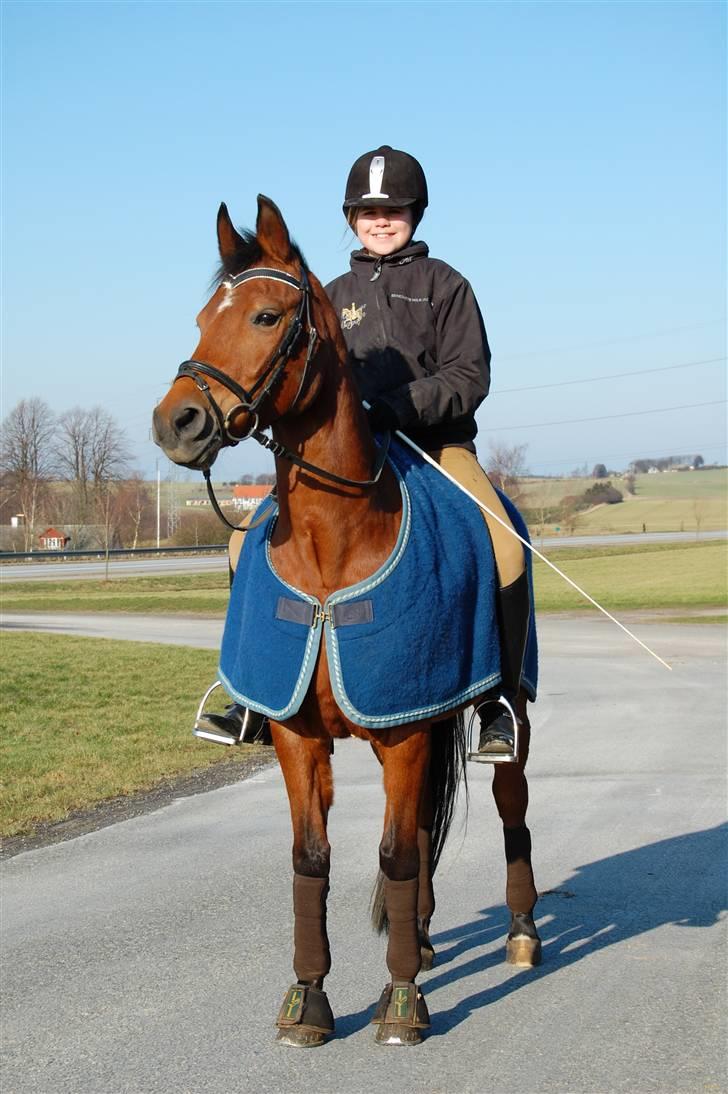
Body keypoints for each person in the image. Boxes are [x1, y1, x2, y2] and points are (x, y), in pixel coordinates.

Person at [196, 145, 530, 757]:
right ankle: (252, 698)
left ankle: (498, 701)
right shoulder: (329, 294)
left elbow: (468, 377)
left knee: (504, 542)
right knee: (244, 542)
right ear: (351, 216)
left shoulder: (446, 286)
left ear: (415, 214)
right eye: (369, 210)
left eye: (395, 209)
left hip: (434, 447)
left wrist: (395, 407)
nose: (382, 220)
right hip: (344, 458)